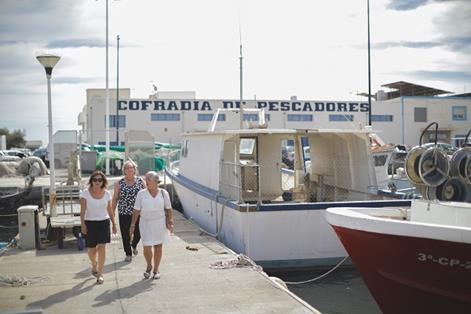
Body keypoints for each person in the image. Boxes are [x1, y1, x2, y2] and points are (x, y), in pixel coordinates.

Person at [130, 171, 174, 280]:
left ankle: (156, 269)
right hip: (145, 223)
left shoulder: (164, 193)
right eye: (146, 179)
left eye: (148, 179)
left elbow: (168, 208)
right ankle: (149, 265)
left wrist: (170, 221)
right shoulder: (141, 193)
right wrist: (132, 225)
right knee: (147, 246)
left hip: (159, 223)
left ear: (156, 181)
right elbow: (136, 210)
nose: (146, 181)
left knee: (158, 246)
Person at [80, 171, 117, 284]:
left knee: (101, 248)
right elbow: (82, 211)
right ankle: (94, 264)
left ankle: (100, 274)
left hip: (103, 223)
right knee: (92, 251)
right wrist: (82, 224)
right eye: (95, 180)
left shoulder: (107, 194)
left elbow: (110, 210)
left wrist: (114, 224)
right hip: (89, 223)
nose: (97, 182)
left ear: (103, 182)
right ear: (91, 181)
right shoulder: (85, 193)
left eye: (99, 180)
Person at [111, 160, 146, 262]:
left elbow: (146, 195)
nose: (129, 169)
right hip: (124, 212)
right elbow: (115, 198)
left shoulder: (140, 181)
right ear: (124, 170)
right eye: (127, 168)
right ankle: (128, 253)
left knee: (139, 232)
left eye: (131, 168)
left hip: (138, 211)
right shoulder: (119, 183)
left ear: (134, 170)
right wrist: (112, 211)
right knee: (125, 234)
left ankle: (134, 244)